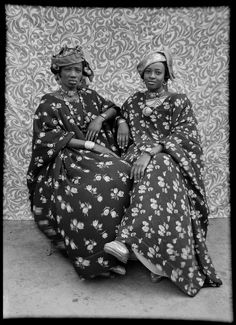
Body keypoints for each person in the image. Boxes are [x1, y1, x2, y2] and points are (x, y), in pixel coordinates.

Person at [104, 48, 223, 297]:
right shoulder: (135, 100)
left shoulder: (178, 100)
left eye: (158, 72)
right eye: (148, 72)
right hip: (136, 155)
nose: (152, 76)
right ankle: (149, 256)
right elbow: (119, 112)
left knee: (160, 166)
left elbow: (186, 134)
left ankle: (127, 241)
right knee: (118, 173)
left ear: (166, 75)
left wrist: (153, 151)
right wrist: (122, 122)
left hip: (167, 156)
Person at [26, 45, 133, 279]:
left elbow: (114, 108)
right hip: (67, 159)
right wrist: (91, 145)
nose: (74, 75)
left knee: (123, 173)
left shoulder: (89, 96)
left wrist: (102, 118)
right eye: (68, 70)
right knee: (86, 190)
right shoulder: (49, 102)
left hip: (96, 156)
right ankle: (98, 258)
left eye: (77, 69)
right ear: (58, 73)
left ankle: (123, 246)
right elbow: (46, 138)